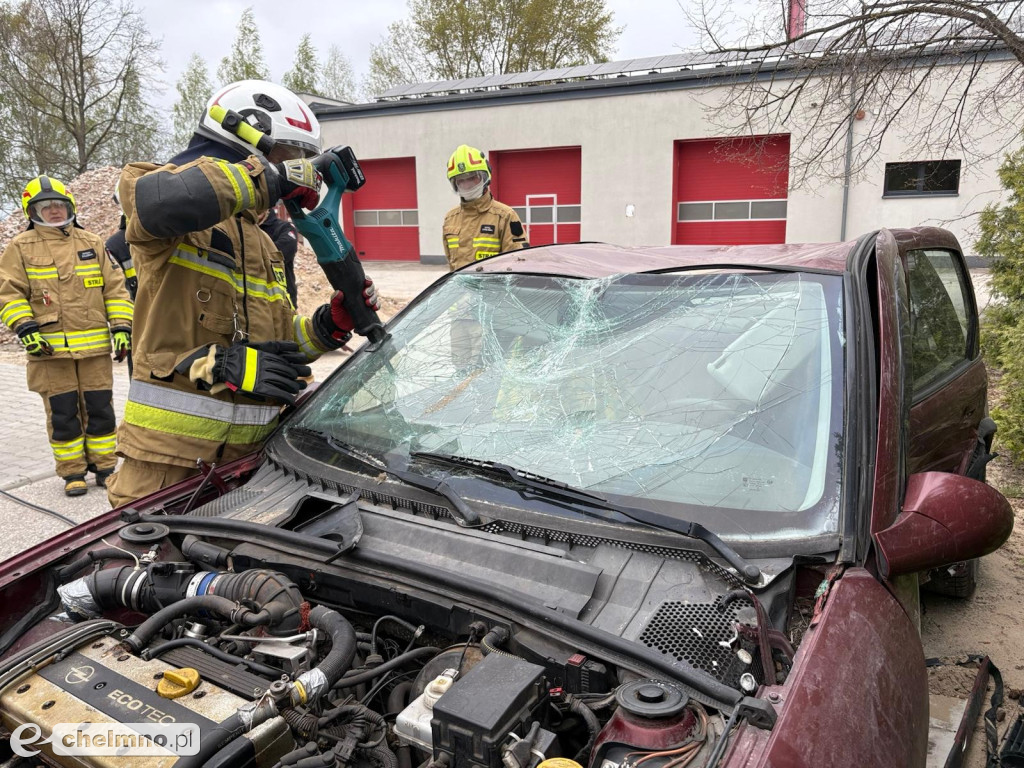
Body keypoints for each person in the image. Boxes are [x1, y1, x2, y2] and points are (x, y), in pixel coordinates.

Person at [106, 79, 378, 508]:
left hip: (249, 467)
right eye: (289, 156)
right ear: (245, 137)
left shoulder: (265, 242)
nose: (299, 171)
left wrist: (328, 327)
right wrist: (220, 366)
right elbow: (157, 204)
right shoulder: (156, 194)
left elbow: (277, 342)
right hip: (169, 468)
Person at [0, 176, 133, 496]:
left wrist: (122, 328)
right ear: (32, 212)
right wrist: (24, 327)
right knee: (63, 414)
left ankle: (104, 467)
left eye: (59, 205)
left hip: (94, 352)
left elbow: (115, 289)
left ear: (69, 206)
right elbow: (8, 293)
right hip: (49, 353)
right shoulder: (19, 248)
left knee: (101, 409)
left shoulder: (91, 243)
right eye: (46, 207)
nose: (55, 211)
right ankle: (72, 472)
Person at [442, 145, 528, 270]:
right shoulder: (450, 219)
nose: (467, 184)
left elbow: (518, 262)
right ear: (454, 183)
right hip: (462, 288)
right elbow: (452, 264)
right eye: (460, 180)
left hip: (493, 288)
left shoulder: (505, 216)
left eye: (472, 178)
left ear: (484, 177)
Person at [258, 206, 300, 306]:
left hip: (283, 304)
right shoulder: (240, 231)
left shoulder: (284, 228)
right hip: (254, 305)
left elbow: (285, 250)